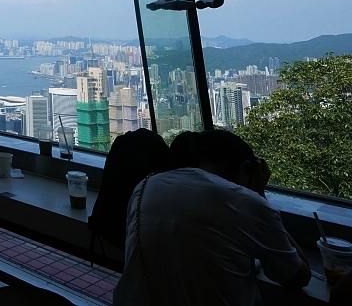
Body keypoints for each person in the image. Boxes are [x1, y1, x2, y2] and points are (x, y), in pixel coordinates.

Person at [114, 129, 311, 306]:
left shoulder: (146, 185)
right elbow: (298, 277)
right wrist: (259, 196)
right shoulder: (243, 201)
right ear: (245, 168)